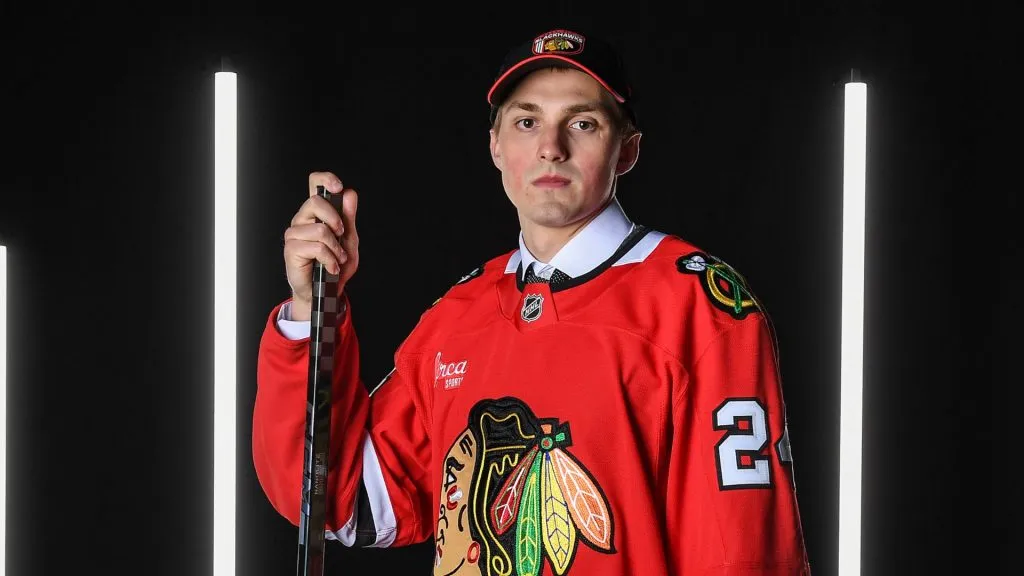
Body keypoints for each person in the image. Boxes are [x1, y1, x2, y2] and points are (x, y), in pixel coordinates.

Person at [253, 27, 813, 575]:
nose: (551, 147)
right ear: (495, 146)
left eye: (583, 123)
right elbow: (342, 499)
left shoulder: (699, 305)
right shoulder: (459, 315)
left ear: (627, 150)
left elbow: (742, 552)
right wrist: (311, 312)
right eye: (527, 122)